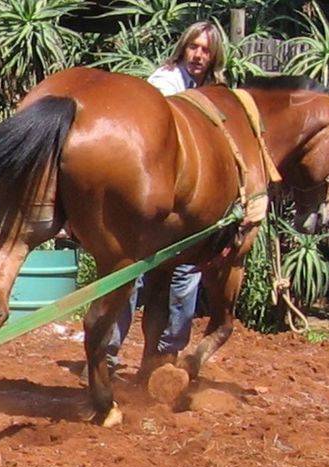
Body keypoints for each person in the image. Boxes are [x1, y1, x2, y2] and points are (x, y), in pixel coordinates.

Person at [104, 21, 228, 373]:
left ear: (214, 56)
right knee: (129, 274)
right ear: (183, 48)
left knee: (187, 273)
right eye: (194, 47)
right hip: (154, 200)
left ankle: (166, 355)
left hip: (186, 208)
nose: (199, 55)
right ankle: (108, 353)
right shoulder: (164, 82)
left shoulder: (212, 91)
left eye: (205, 50)